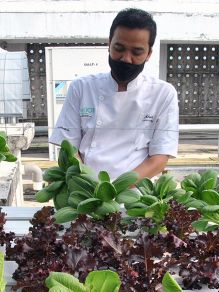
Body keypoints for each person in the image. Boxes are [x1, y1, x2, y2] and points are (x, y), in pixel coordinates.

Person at [48, 8, 179, 180]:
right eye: (119, 48)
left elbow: (159, 158)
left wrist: (116, 189)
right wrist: (90, 186)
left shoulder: (163, 93)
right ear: (109, 44)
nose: (126, 58)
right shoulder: (81, 87)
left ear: (149, 54)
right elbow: (69, 148)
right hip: (86, 190)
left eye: (137, 52)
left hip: (137, 194)